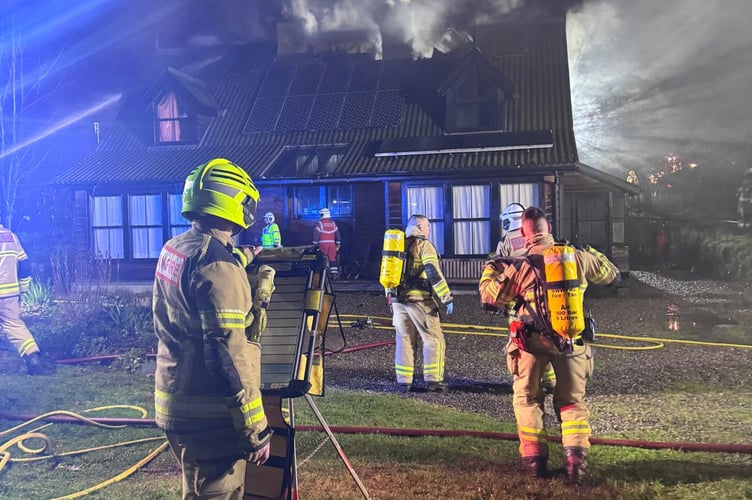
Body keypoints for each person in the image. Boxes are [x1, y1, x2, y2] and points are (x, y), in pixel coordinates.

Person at [153, 158, 272, 499]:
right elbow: (228, 354)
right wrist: (254, 430)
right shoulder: (219, 266)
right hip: (211, 415)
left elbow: (204, 276)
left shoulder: (176, 249)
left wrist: (243, 257)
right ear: (235, 203)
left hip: (177, 399)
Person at [479, 206, 619, 483]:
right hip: (572, 342)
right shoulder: (576, 258)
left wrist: (492, 268)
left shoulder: (519, 266)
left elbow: (489, 298)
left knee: (528, 400)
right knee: (572, 404)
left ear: (523, 233)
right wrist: (589, 251)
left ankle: (535, 463)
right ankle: (576, 461)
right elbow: (611, 275)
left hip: (530, 345)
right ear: (549, 230)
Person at [495, 203, 556, 394]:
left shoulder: (506, 242)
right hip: (549, 301)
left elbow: (500, 273)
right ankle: (551, 382)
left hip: (519, 305)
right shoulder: (547, 239)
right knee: (548, 339)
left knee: (522, 343)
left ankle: (526, 383)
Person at [391, 214, 454, 393]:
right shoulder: (423, 244)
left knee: (404, 340)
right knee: (433, 339)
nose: (428, 230)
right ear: (419, 226)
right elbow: (432, 272)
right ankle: (433, 380)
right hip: (419, 300)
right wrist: (446, 297)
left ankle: (404, 381)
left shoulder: (396, 244)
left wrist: (391, 298)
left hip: (398, 301)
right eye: (427, 226)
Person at [0, 224, 54, 375]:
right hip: (9, 293)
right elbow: (25, 266)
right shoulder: (11, 236)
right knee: (14, 325)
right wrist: (23, 289)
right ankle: (32, 355)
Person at [313, 207, 341, 277]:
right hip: (332, 245)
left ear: (322, 215)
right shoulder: (333, 223)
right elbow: (337, 233)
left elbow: (316, 233)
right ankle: (334, 275)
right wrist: (338, 243)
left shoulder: (319, 223)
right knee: (332, 259)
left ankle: (323, 275)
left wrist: (314, 244)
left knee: (322, 259)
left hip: (322, 244)